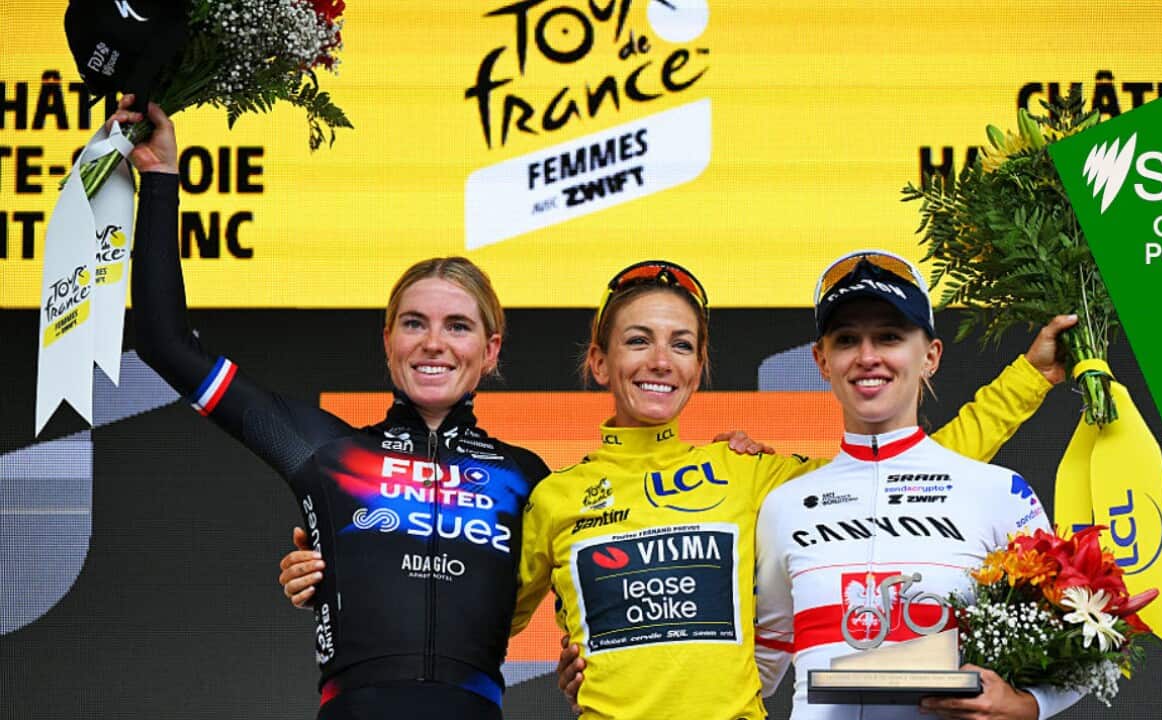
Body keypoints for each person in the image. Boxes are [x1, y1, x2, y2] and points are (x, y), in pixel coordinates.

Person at [121, 97, 551, 720]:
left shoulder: (529, 478)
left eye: (457, 326)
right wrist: (160, 181)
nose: (433, 342)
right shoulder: (323, 451)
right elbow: (165, 345)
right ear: (388, 340)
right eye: (414, 323)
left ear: (490, 351)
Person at [503, 260, 1073, 720]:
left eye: (681, 344)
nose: (660, 361)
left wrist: (1027, 378)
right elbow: (477, 624)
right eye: (637, 340)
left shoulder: (745, 471)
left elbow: (912, 472)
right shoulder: (555, 497)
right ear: (600, 362)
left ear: (699, 367)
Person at [753, 250, 1081, 720]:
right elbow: (758, 668)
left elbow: (1085, 639)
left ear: (930, 356)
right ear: (822, 361)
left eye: (889, 337)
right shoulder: (784, 505)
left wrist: (1029, 705)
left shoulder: (998, 491)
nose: (867, 357)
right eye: (847, 340)